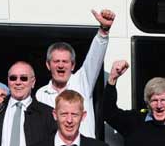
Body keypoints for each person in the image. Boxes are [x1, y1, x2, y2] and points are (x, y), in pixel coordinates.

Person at [36, 8, 115, 138]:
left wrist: (104, 31)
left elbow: (95, 57)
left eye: (65, 62)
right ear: (48, 65)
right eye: (56, 61)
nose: (61, 65)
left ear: (72, 65)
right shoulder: (41, 94)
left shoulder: (82, 82)